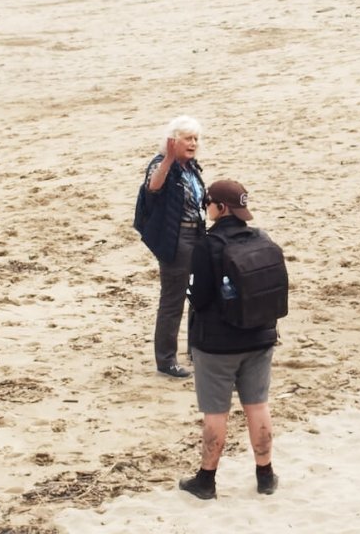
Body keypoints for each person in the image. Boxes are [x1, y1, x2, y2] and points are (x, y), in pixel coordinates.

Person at [179, 180, 280, 499]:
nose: (206, 206)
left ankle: (206, 480)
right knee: (258, 406)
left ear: (220, 208)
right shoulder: (261, 238)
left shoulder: (206, 246)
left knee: (215, 413)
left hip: (217, 344)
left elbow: (197, 296)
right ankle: (265, 475)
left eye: (208, 201)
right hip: (260, 336)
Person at [141, 115, 206, 379]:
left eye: (196, 139)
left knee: (200, 294)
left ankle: (196, 348)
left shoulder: (191, 167)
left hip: (197, 235)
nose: (193, 144)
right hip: (176, 239)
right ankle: (166, 360)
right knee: (173, 299)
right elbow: (152, 189)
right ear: (172, 141)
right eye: (188, 139)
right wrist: (168, 159)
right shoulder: (161, 164)